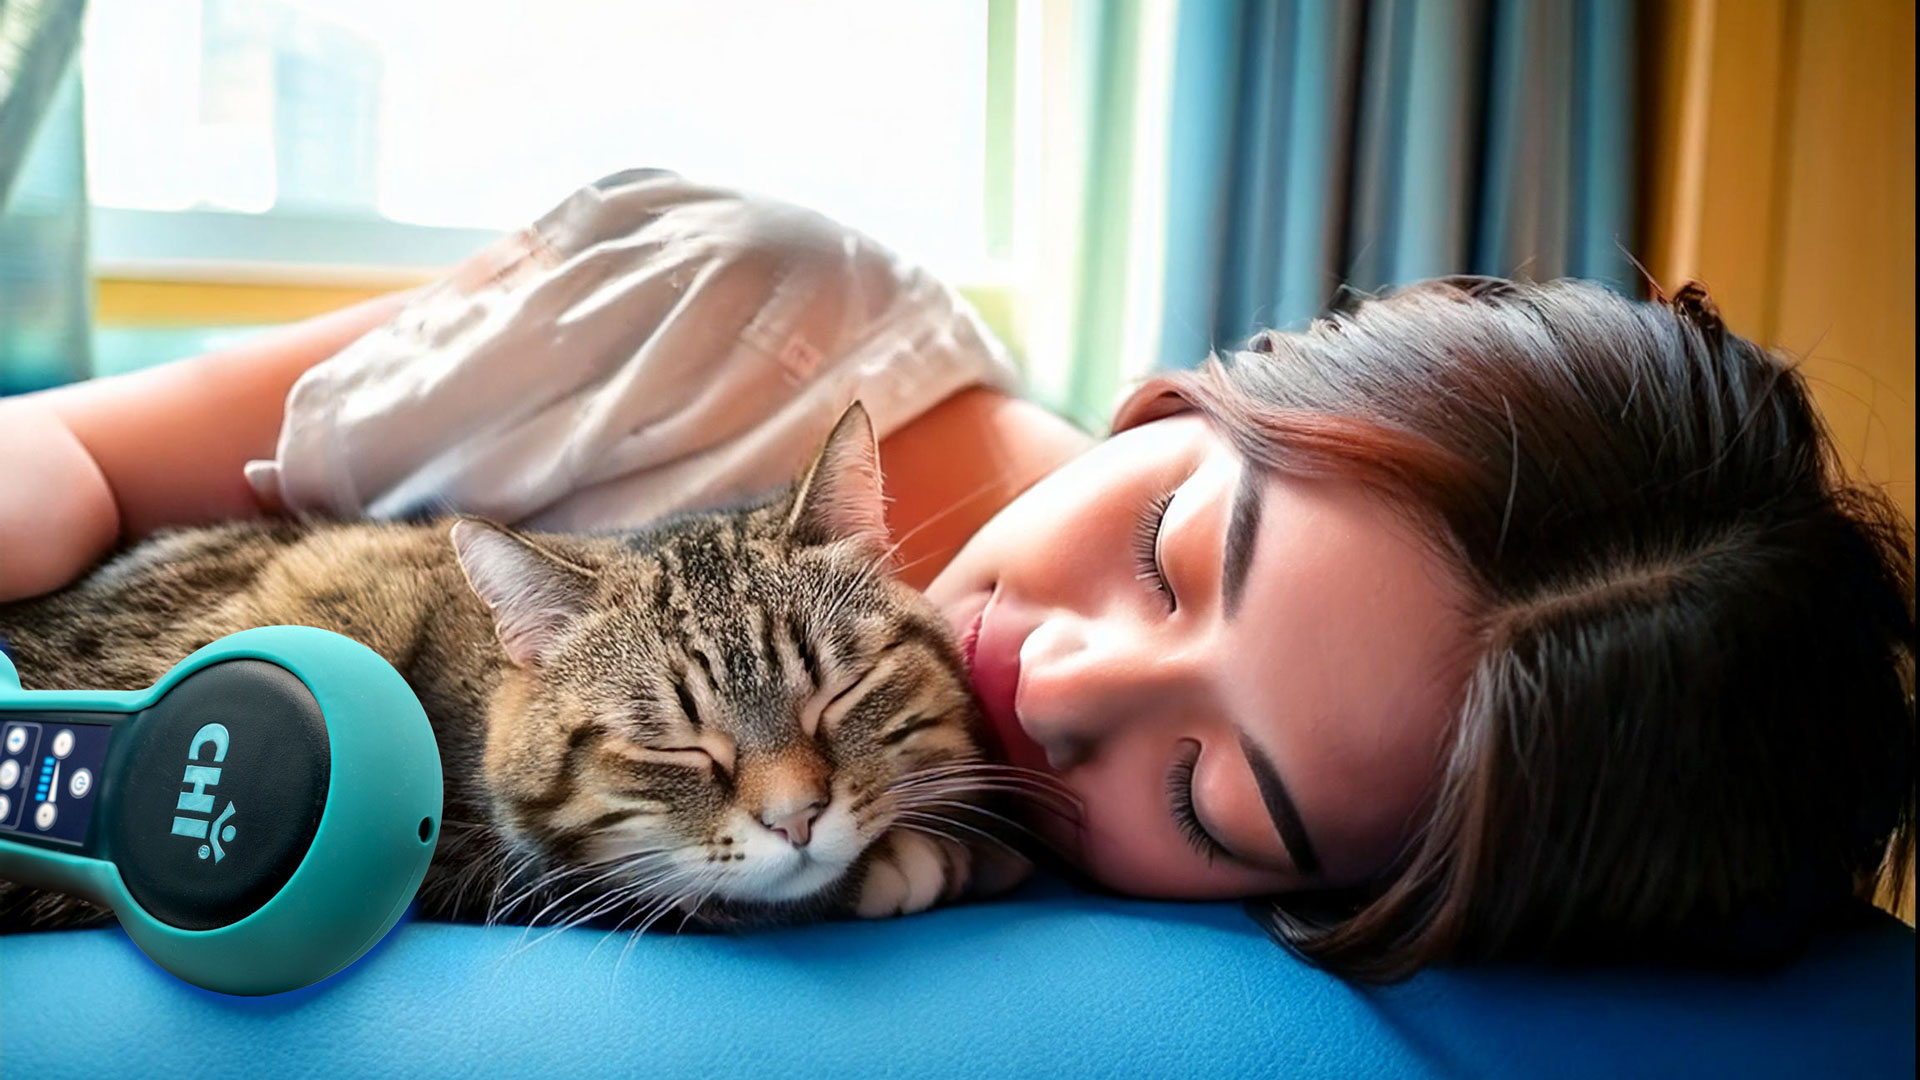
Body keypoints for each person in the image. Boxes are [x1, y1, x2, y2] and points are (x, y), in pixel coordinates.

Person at [1, 170, 1910, 982]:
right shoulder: (731, 311)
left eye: (1212, 796)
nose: (1062, 685)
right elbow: (77, 453)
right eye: (1172, 547)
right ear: (1206, 391)